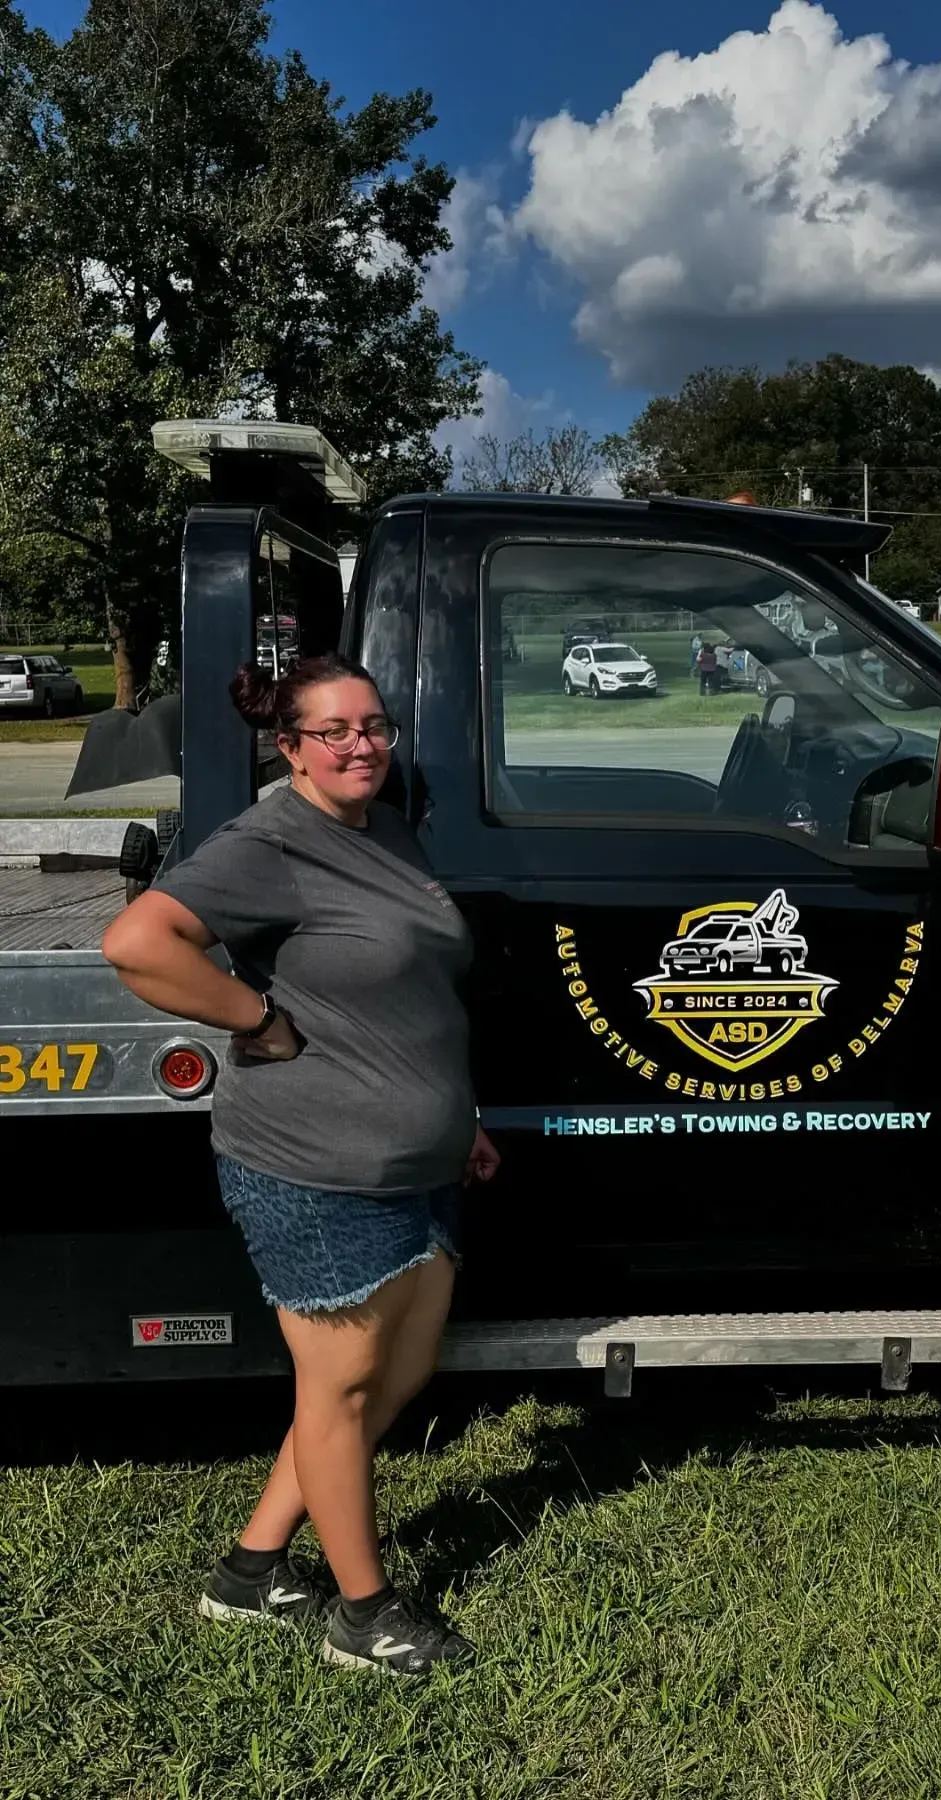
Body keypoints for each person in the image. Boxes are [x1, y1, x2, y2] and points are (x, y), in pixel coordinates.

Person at [102, 651, 500, 1677]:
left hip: (420, 1151)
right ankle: (364, 1616)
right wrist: (256, 1016)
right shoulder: (271, 842)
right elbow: (138, 941)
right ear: (292, 748)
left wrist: (463, 1117)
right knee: (341, 1390)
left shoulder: (379, 823)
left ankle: (249, 1571)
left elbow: (409, 992)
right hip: (314, 1162)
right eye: (336, 732)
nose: (362, 744)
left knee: (393, 1375)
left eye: (374, 726)